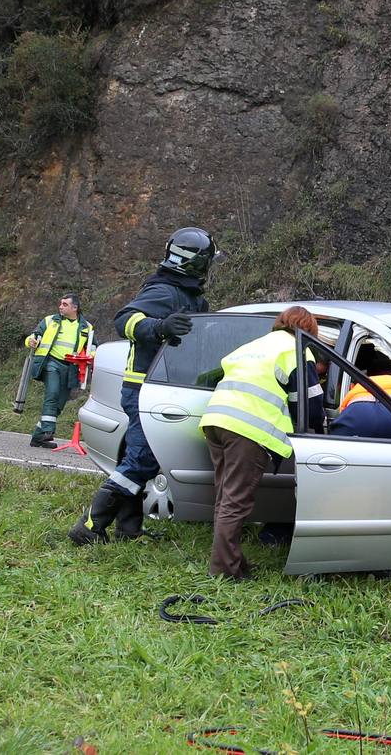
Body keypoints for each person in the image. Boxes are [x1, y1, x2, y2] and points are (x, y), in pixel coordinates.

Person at [69, 227, 221, 545]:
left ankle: (129, 529)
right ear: (198, 263)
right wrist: (158, 326)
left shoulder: (191, 297)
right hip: (144, 389)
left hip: (163, 388)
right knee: (140, 460)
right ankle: (88, 526)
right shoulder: (165, 291)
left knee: (143, 461)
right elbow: (124, 319)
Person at [199, 306, 324, 579]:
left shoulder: (256, 344)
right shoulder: (298, 350)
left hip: (216, 421)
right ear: (310, 330)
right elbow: (311, 406)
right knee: (235, 502)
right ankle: (224, 571)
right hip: (247, 429)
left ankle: (233, 561)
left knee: (225, 497)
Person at [24, 293, 94, 449]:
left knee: (60, 402)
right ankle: (48, 431)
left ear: (74, 308)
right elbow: (33, 336)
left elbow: (92, 347)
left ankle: (38, 437)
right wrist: (31, 341)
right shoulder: (50, 321)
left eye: (65, 304)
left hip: (71, 368)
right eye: (60, 304)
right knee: (53, 393)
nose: (60, 306)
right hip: (51, 363)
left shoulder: (86, 327)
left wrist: (91, 357)